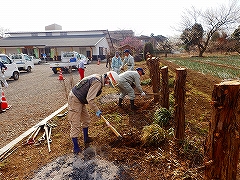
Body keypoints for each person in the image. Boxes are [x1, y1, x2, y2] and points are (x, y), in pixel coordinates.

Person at [68, 73, 111, 154]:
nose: (108, 83)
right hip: (75, 99)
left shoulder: (98, 77)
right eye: (109, 81)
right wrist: (97, 110)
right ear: (107, 78)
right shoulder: (97, 82)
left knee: (86, 119)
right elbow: (90, 99)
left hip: (80, 99)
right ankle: (76, 147)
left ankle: (86, 138)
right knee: (75, 123)